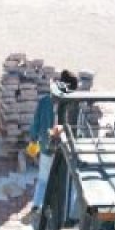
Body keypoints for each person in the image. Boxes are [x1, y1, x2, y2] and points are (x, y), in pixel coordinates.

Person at [25, 70, 79, 216]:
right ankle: (69, 214)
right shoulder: (73, 105)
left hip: (46, 148)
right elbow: (76, 131)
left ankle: (37, 206)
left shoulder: (44, 101)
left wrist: (33, 141)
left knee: (43, 179)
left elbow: (35, 123)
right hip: (64, 152)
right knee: (70, 183)